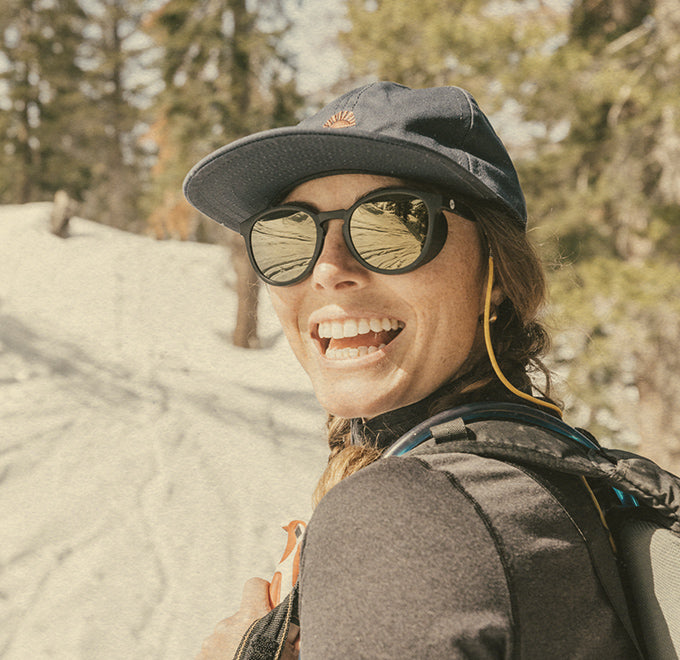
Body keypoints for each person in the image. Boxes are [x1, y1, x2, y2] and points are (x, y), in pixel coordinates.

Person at [184, 82, 641, 658]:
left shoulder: (411, 514)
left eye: (391, 224)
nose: (327, 270)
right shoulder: (540, 472)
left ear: (496, 273)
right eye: (288, 236)